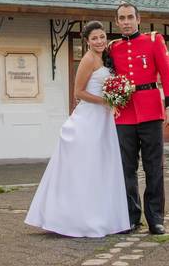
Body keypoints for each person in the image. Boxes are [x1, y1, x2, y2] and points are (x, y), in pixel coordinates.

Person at [25, 21, 130, 237]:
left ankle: (105, 218)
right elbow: (78, 92)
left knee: (103, 168)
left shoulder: (107, 57)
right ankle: (77, 219)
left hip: (104, 121)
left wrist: (115, 98)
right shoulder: (88, 59)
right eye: (94, 38)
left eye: (102, 37)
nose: (99, 41)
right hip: (88, 120)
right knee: (86, 168)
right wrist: (105, 101)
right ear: (87, 41)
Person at [109, 2, 169, 235]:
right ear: (117, 22)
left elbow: (167, 73)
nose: (126, 22)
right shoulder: (113, 48)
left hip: (150, 111)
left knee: (153, 167)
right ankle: (131, 216)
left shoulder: (153, 40)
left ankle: (156, 218)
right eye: (122, 18)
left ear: (138, 19)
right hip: (124, 114)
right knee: (126, 168)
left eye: (130, 17)